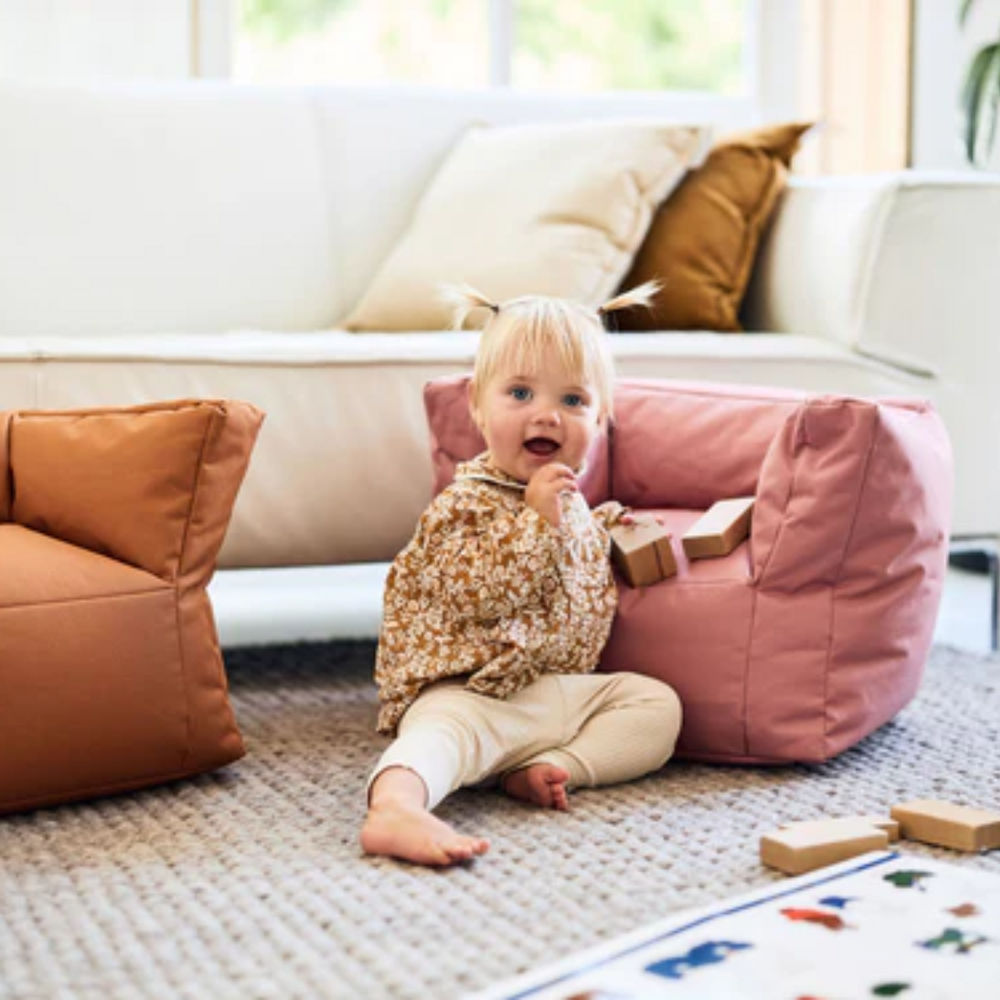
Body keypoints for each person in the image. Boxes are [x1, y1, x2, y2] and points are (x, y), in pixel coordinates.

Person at [360, 282, 682, 866]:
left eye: (573, 401)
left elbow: (571, 560)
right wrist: (536, 520)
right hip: (473, 692)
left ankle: (554, 768)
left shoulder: (569, 500)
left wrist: (602, 524)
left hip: (556, 695)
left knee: (654, 704)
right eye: (519, 392)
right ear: (479, 410)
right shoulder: (464, 505)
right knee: (436, 740)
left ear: (601, 421)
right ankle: (396, 808)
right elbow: (480, 593)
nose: (545, 414)